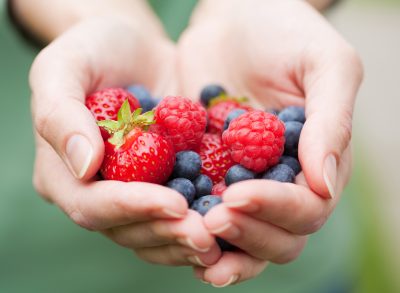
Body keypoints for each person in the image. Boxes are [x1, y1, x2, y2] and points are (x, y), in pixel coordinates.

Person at [9, 0, 363, 288]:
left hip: (291, 275)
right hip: (38, 262)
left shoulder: (227, 138)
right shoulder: (147, 131)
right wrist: (93, 12)